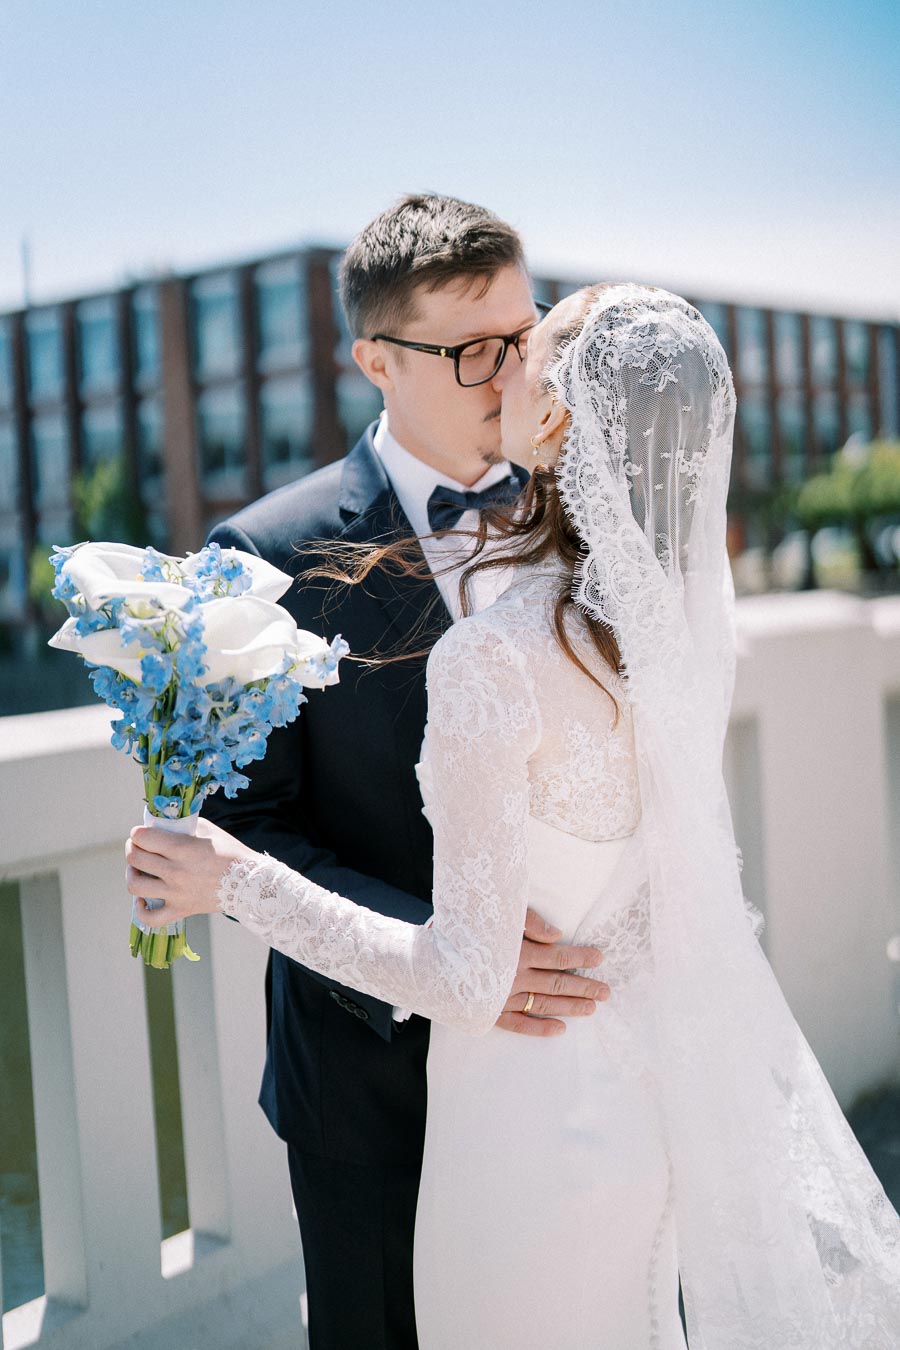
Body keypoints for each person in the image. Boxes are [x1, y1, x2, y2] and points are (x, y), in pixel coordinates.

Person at [127, 284, 900, 1347]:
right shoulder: (672, 633)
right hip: (637, 1117)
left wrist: (234, 880)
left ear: (554, 422)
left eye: (527, 347)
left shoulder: (495, 657)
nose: (500, 363)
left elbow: (463, 979)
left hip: (518, 1135)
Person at [195, 194, 608, 1350]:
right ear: (376, 359)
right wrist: (452, 953)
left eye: (523, 338)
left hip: (570, 1069)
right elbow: (245, 831)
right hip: (373, 1085)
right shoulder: (263, 559)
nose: (510, 374)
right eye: (474, 349)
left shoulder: (581, 517)